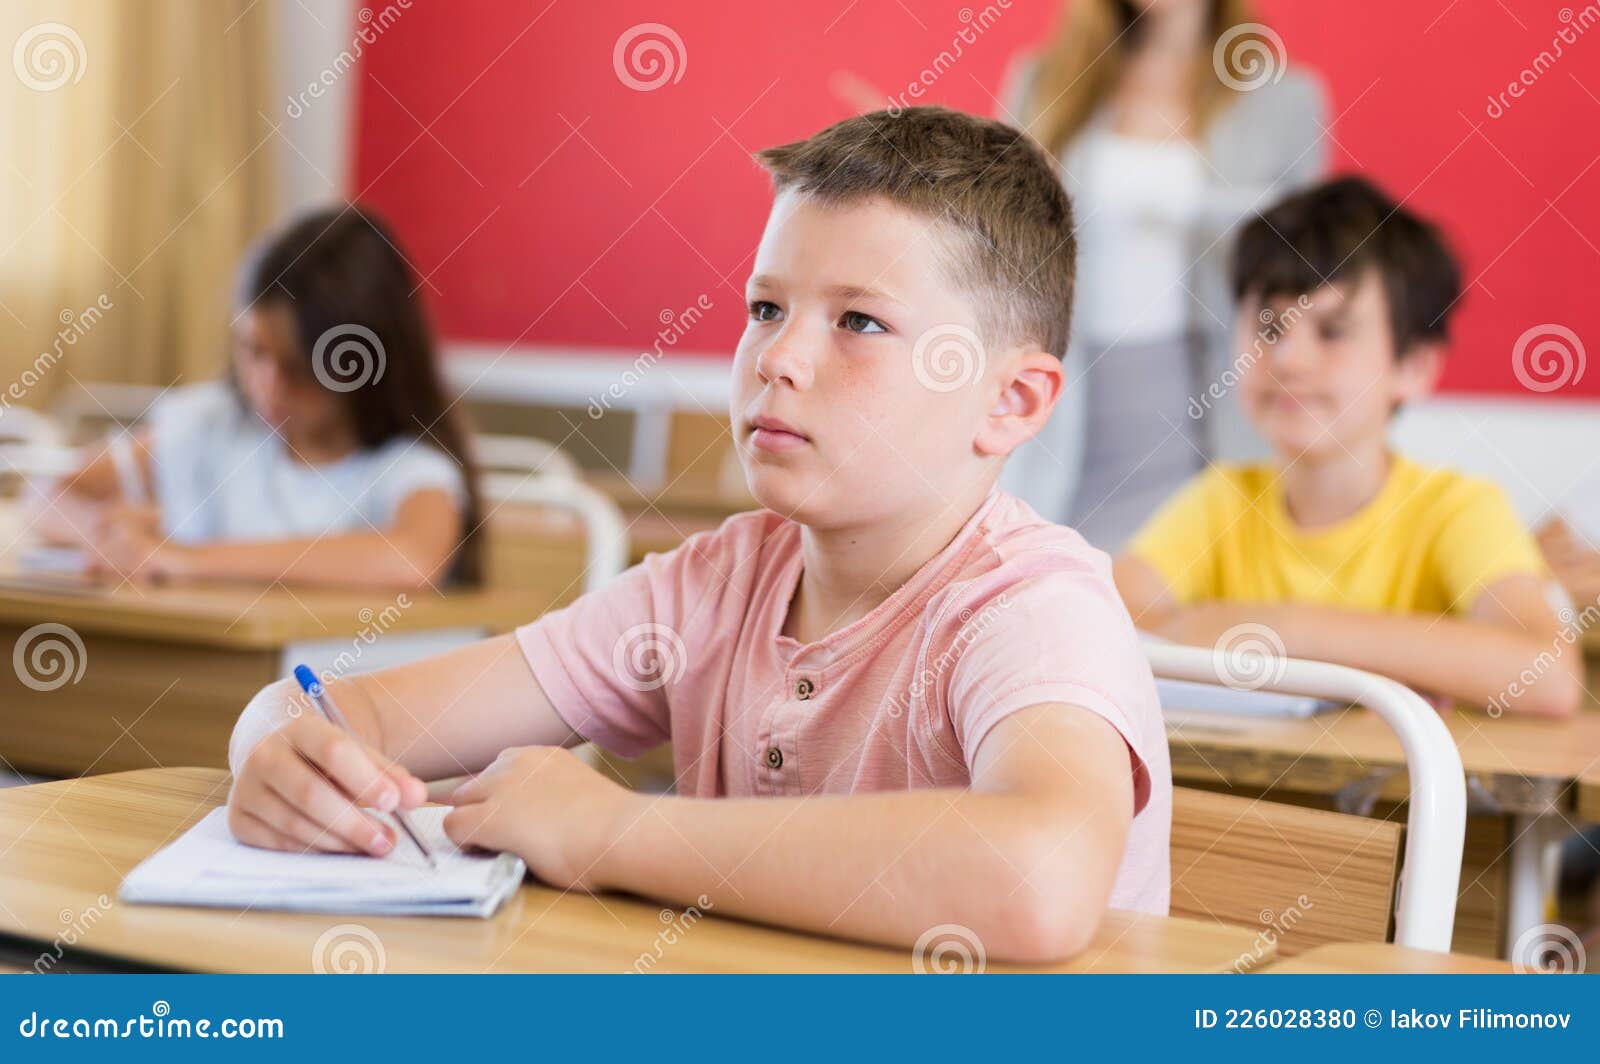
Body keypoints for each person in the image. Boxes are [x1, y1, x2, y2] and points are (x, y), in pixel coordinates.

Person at [224, 107, 1171, 963]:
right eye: (766, 308)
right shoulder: (710, 586)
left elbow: (1039, 880)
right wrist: (275, 744)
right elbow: (347, 713)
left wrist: (614, 834)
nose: (779, 358)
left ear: (1010, 399)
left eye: (859, 322)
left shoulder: (1032, 609)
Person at [1115, 176, 1581, 717]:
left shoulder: (1457, 509)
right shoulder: (1219, 501)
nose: (1289, 360)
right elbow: (1107, 623)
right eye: (1269, 328)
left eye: (1332, 331)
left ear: (1413, 368)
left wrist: (1287, 631)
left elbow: (1548, 676)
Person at [1000, 0, 1326, 549]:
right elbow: (1005, 238)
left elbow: (1306, 263)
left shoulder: (1284, 99)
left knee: (1187, 566)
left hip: (1205, 390)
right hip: (1071, 385)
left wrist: (1203, 212)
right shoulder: (1045, 79)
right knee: (1057, 563)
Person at [33, 206, 482, 590]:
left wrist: (185, 559)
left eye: (296, 366)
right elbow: (50, 496)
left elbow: (411, 561)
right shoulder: (212, 425)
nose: (267, 386)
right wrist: (108, 535)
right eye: (253, 351)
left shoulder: (409, 469)